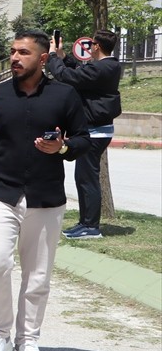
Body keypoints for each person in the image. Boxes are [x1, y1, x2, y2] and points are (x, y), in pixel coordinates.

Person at [0, 30, 89, 351]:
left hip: (46, 198)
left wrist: (63, 147)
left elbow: (85, 139)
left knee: (38, 276)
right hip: (0, 193)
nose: (14, 57)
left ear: (42, 59)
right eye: (12, 51)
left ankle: (27, 343)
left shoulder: (65, 95)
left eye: (23, 52)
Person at [46, 29, 121, 240]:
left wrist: (52, 56)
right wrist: (62, 56)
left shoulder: (103, 67)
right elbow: (78, 71)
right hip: (95, 131)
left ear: (97, 46)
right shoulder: (105, 66)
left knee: (87, 179)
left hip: (96, 132)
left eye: (91, 44)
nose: (89, 47)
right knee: (83, 178)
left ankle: (91, 227)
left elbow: (66, 76)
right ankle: (85, 223)